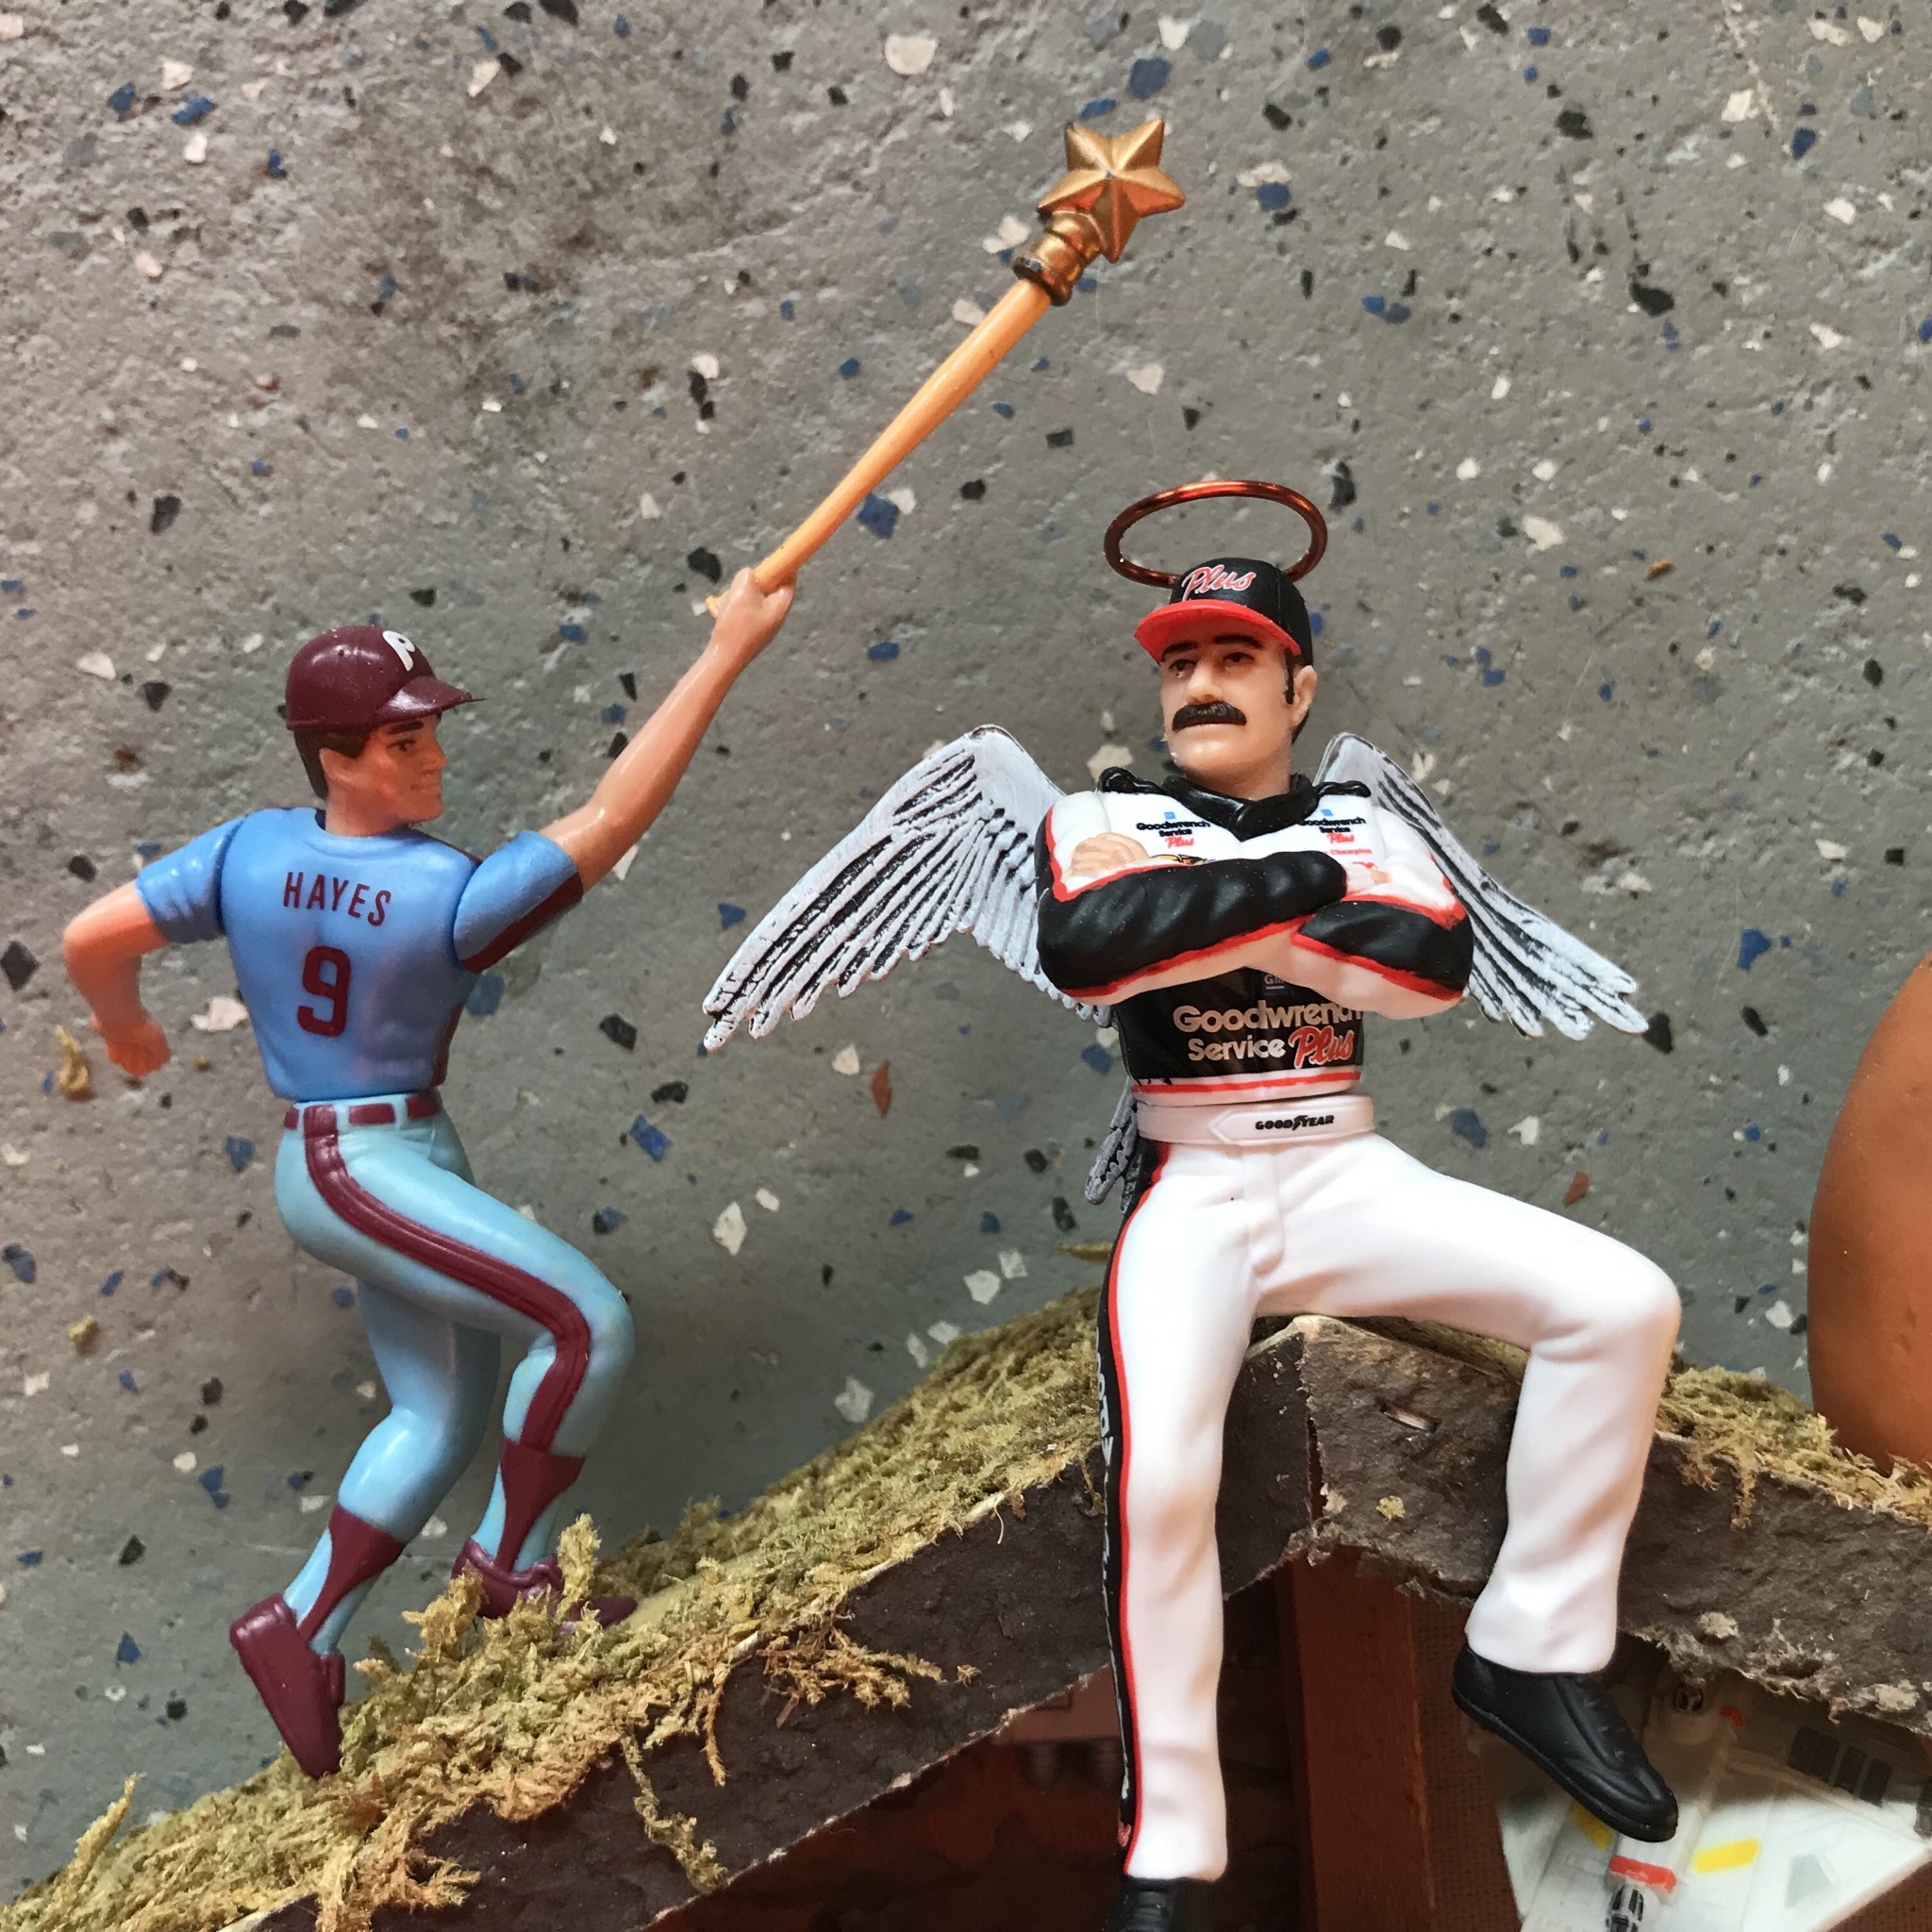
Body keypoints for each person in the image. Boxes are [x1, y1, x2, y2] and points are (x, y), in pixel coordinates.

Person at [1031, 543, 1682, 1932]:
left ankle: (1531, 1648)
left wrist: (1207, 911)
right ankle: (1170, 1853)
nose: (1202, 683)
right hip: (1195, 1182)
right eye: (1181, 662)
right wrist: (1302, 883)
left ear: (1299, 687)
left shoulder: (1367, 821)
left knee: (1621, 1302)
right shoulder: (1101, 814)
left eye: (1236, 657)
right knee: (1162, 1487)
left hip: (1344, 1168)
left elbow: (1424, 968)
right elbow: (1091, 947)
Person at [62, 571, 792, 1776]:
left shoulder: (247, 851)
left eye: (431, 730)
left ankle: (300, 1624)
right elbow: (611, 818)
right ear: (337, 756)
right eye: (405, 739)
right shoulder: (440, 894)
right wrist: (724, 655)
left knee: (437, 1413)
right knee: (586, 1325)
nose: (436, 754)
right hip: (363, 1159)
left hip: (368, 1153)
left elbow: (93, 937)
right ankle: (512, 1570)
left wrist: (123, 1024)